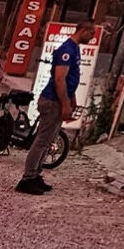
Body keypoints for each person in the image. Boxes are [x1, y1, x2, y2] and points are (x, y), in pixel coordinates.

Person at [15, 21, 95, 197]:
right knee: (42, 141)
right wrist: (65, 104)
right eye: (91, 33)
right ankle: (27, 178)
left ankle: (35, 174)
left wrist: (72, 98)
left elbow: (70, 79)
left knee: (49, 141)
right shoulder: (67, 49)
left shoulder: (75, 48)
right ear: (83, 30)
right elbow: (60, 79)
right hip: (52, 101)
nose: (92, 37)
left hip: (59, 101)